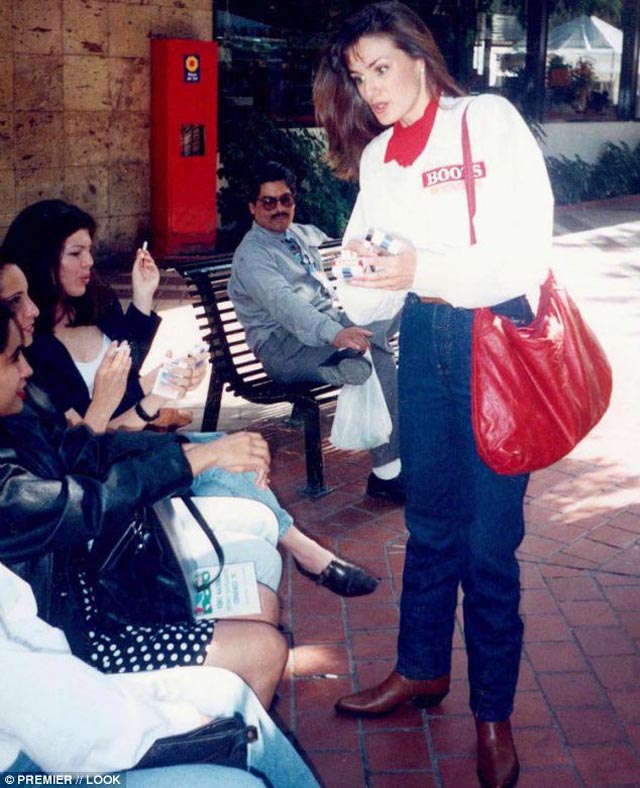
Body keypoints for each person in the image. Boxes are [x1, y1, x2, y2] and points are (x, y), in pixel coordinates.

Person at [313, 4, 554, 787]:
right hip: (422, 342)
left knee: (488, 545)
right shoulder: (382, 158)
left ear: (419, 56)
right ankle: (421, 669)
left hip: (496, 342)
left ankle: (493, 715)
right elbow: (375, 293)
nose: (371, 88)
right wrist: (349, 281)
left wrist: (421, 268)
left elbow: (523, 256)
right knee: (429, 524)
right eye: (359, 76)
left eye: (382, 68)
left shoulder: (487, 121)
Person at [0, 209, 379, 598]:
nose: (90, 263)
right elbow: (84, 451)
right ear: (44, 259)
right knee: (229, 469)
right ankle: (281, 563)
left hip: (130, 446)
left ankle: (271, 565)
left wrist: (149, 319)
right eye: (76, 253)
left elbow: (124, 375)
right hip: (116, 471)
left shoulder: (94, 301)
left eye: (90, 251)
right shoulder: (29, 354)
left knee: (238, 465)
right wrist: (144, 402)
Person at [0, 302, 286, 708]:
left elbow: (85, 452)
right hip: (75, 649)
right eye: (13, 359)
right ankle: (221, 750)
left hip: (107, 595)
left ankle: (231, 730)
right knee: (265, 650)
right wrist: (197, 458)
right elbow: (85, 504)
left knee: (263, 603)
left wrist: (198, 449)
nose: (25, 368)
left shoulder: (16, 421)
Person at [0, 561, 321, 787]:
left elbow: (28, 636)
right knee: (236, 781)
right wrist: (165, 725)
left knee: (228, 689)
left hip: (117, 591)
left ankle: (301, 544)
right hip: (89, 638)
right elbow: (28, 693)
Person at [228, 161, 404, 504]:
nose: (279, 208)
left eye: (286, 199)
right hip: (285, 350)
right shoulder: (253, 255)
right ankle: (387, 475)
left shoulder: (302, 234)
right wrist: (335, 333)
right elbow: (286, 307)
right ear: (252, 206)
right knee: (374, 355)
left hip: (327, 330)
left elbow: (348, 248)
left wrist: (379, 250)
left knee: (404, 308)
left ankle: (347, 361)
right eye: (268, 202)